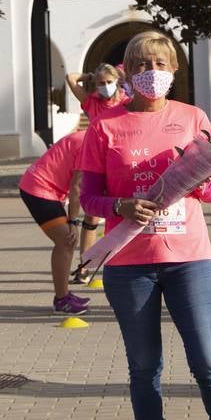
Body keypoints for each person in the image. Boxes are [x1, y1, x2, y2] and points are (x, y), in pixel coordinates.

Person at [79, 31, 211, 420]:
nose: (151, 73)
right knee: (143, 367)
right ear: (129, 73)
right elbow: (89, 196)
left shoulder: (192, 118)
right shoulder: (105, 126)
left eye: (159, 64)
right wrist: (121, 206)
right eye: (141, 66)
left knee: (208, 362)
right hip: (129, 264)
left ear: (174, 70)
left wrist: (200, 178)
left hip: (188, 259)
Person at [20, 129, 93, 315]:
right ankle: (62, 300)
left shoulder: (90, 136)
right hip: (38, 188)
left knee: (65, 243)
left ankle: (63, 295)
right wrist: (73, 222)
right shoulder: (89, 143)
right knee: (66, 241)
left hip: (45, 188)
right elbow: (76, 186)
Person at [65, 64, 125, 276]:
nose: (106, 86)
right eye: (101, 83)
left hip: (120, 159)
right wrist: (88, 75)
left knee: (122, 211)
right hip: (97, 158)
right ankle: (86, 265)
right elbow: (70, 77)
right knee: (91, 216)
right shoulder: (91, 102)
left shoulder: (126, 102)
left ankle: (122, 262)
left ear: (117, 81)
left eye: (109, 82)